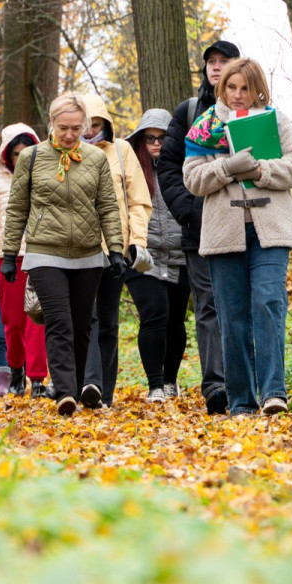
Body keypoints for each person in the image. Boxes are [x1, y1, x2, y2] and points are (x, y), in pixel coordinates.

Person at [184, 57, 292, 416]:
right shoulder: (205, 126)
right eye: (231, 88)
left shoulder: (276, 119)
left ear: (258, 90)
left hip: (270, 229)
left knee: (269, 303)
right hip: (225, 232)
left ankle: (274, 393)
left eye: (245, 88)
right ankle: (241, 401)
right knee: (232, 314)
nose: (238, 95)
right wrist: (225, 168)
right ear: (222, 89)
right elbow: (192, 179)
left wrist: (260, 170)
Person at [0, 91, 123, 417]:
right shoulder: (32, 158)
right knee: (59, 323)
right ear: (51, 123)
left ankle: (78, 385)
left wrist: (117, 250)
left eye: (76, 129)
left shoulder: (95, 160)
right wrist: (10, 253)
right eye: (63, 127)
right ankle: (65, 393)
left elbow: (108, 207)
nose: (69, 135)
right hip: (43, 252)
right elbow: (17, 208)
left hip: (88, 254)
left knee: (82, 326)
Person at [155, 39, 239, 414]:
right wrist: (188, 211)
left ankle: (246, 383)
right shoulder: (190, 112)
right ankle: (216, 388)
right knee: (208, 305)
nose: (217, 68)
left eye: (224, 61)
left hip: (244, 222)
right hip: (200, 227)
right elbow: (168, 166)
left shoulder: (254, 111)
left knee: (241, 303)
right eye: (211, 62)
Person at [79, 91, 152, 404]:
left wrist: (136, 242)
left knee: (108, 321)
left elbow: (138, 201)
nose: (90, 130)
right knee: (86, 318)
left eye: (96, 124)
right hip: (79, 248)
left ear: (105, 123)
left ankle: (104, 393)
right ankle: (88, 383)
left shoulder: (122, 151)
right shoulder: (66, 154)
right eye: (85, 124)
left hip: (115, 249)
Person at [0, 121, 49, 398]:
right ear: (7, 154)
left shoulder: (45, 171)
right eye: (17, 153)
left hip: (40, 252)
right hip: (9, 257)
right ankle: (17, 371)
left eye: (27, 151)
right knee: (13, 321)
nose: (22, 157)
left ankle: (37, 378)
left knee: (37, 319)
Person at [126, 109, 190, 401]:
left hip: (180, 254)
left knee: (175, 321)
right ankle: (154, 385)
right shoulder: (130, 171)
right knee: (154, 314)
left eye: (162, 138)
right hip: (143, 255)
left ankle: (169, 381)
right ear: (140, 140)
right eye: (150, 138)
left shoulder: (184, 167)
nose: (156, 144)